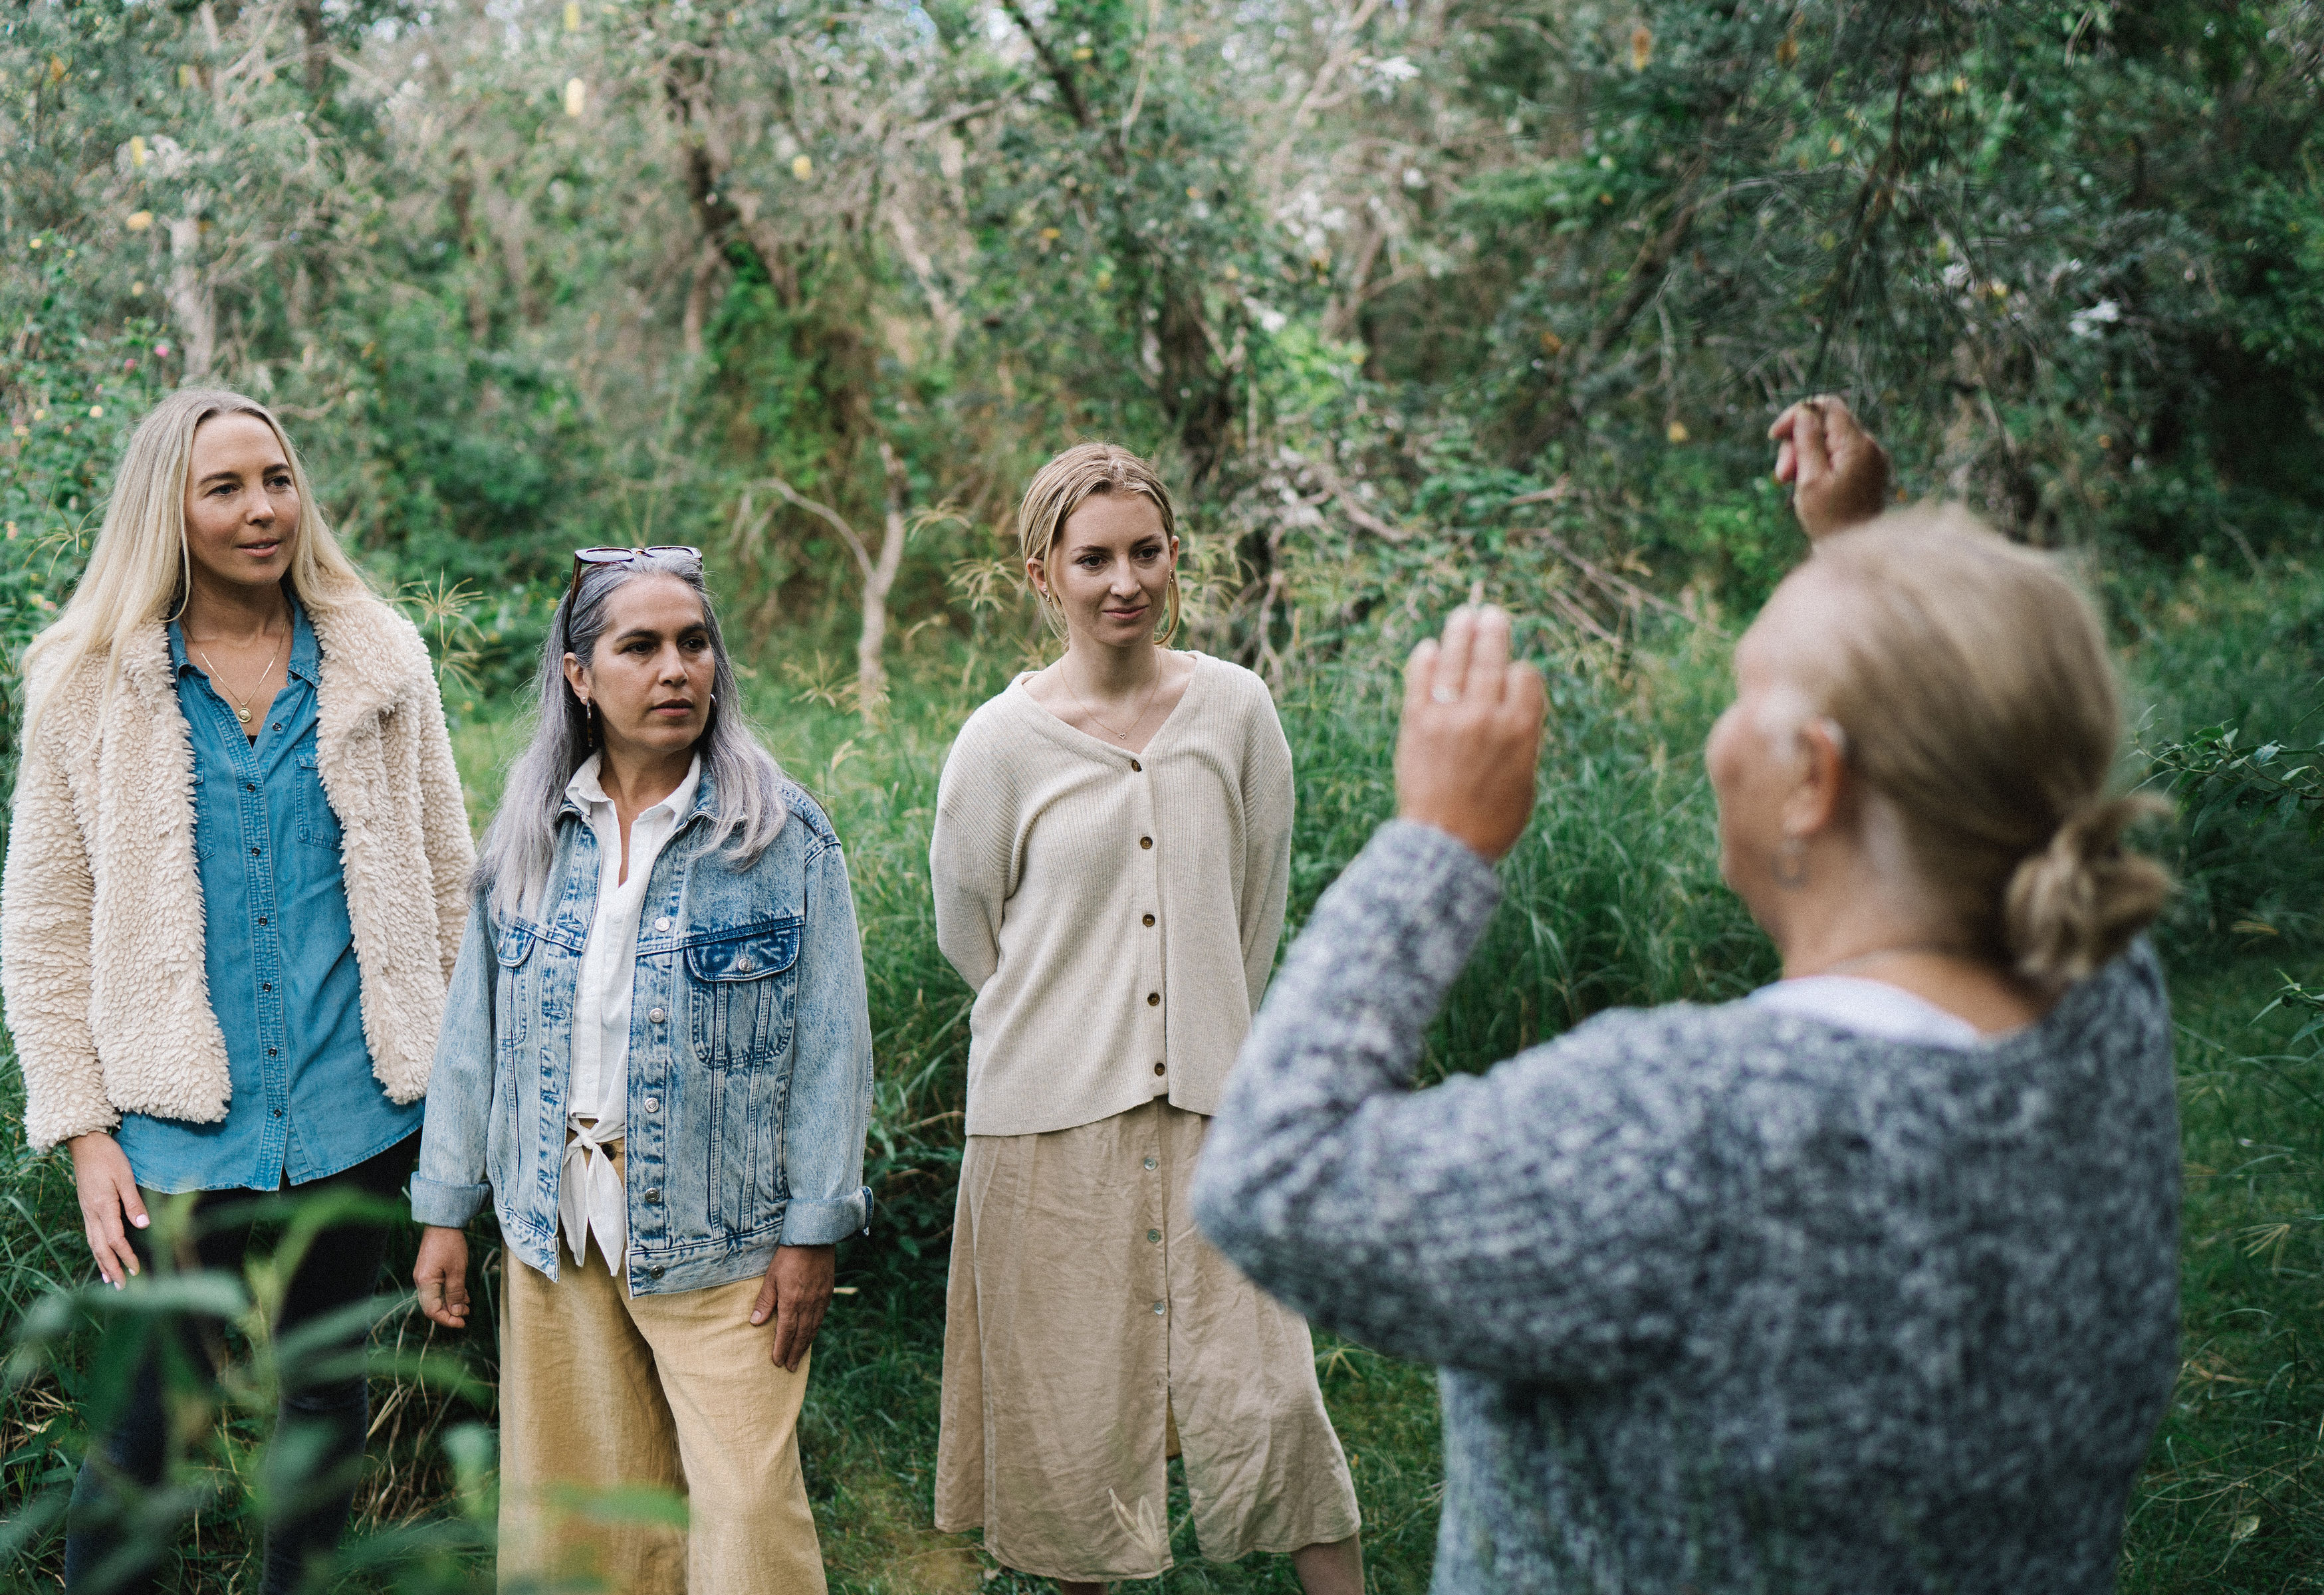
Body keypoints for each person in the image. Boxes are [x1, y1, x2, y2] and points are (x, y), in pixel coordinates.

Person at [1193, 399, 2180, 1594]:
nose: (1719, 728)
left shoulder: (1683, 1126)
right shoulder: (2105, 1005)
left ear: (1813, 778)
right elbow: (1972, 743)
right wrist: (1860, 557)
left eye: (1740, 688)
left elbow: (1272, 1176)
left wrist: (1437, 845)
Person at [0, 389, 477, 1593]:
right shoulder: (88, 683)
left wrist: (461, 1118)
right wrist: (85, 1132)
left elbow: (444, 877)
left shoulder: (377, 655)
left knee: (324, 1406)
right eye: (225, 487)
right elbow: (48, 924)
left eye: (277, 479)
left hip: (358, 1110)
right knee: (153, 1424)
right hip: (173, 1130)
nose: (263, 509)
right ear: (170, 509)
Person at [928, 443, 1364, 1592]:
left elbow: (1253, 905)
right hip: (1044, 1129)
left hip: (1220, 1110)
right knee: (1073, 1432)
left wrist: (1210, 1033)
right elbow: (972, 935)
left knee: (1274, 1398)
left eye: (1145, 552)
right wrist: (1075, 1027)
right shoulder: (997, 745)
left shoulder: (1235, 708)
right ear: (1041, 576)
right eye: (1093, 559)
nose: (1124, 580)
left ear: (1174, 559)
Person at [408, 545, 872, 1594]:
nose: (677, 670)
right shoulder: (529, 835)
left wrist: (813, 1233)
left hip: (728, 1241)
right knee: (587, 1526)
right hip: (556, 1229)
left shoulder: (780, 836)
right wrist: (447, 1206)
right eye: (642, 646)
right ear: (580, 675)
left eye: (695, 644)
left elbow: (834, 1052)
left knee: (749, 1518)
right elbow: (473, 1039)